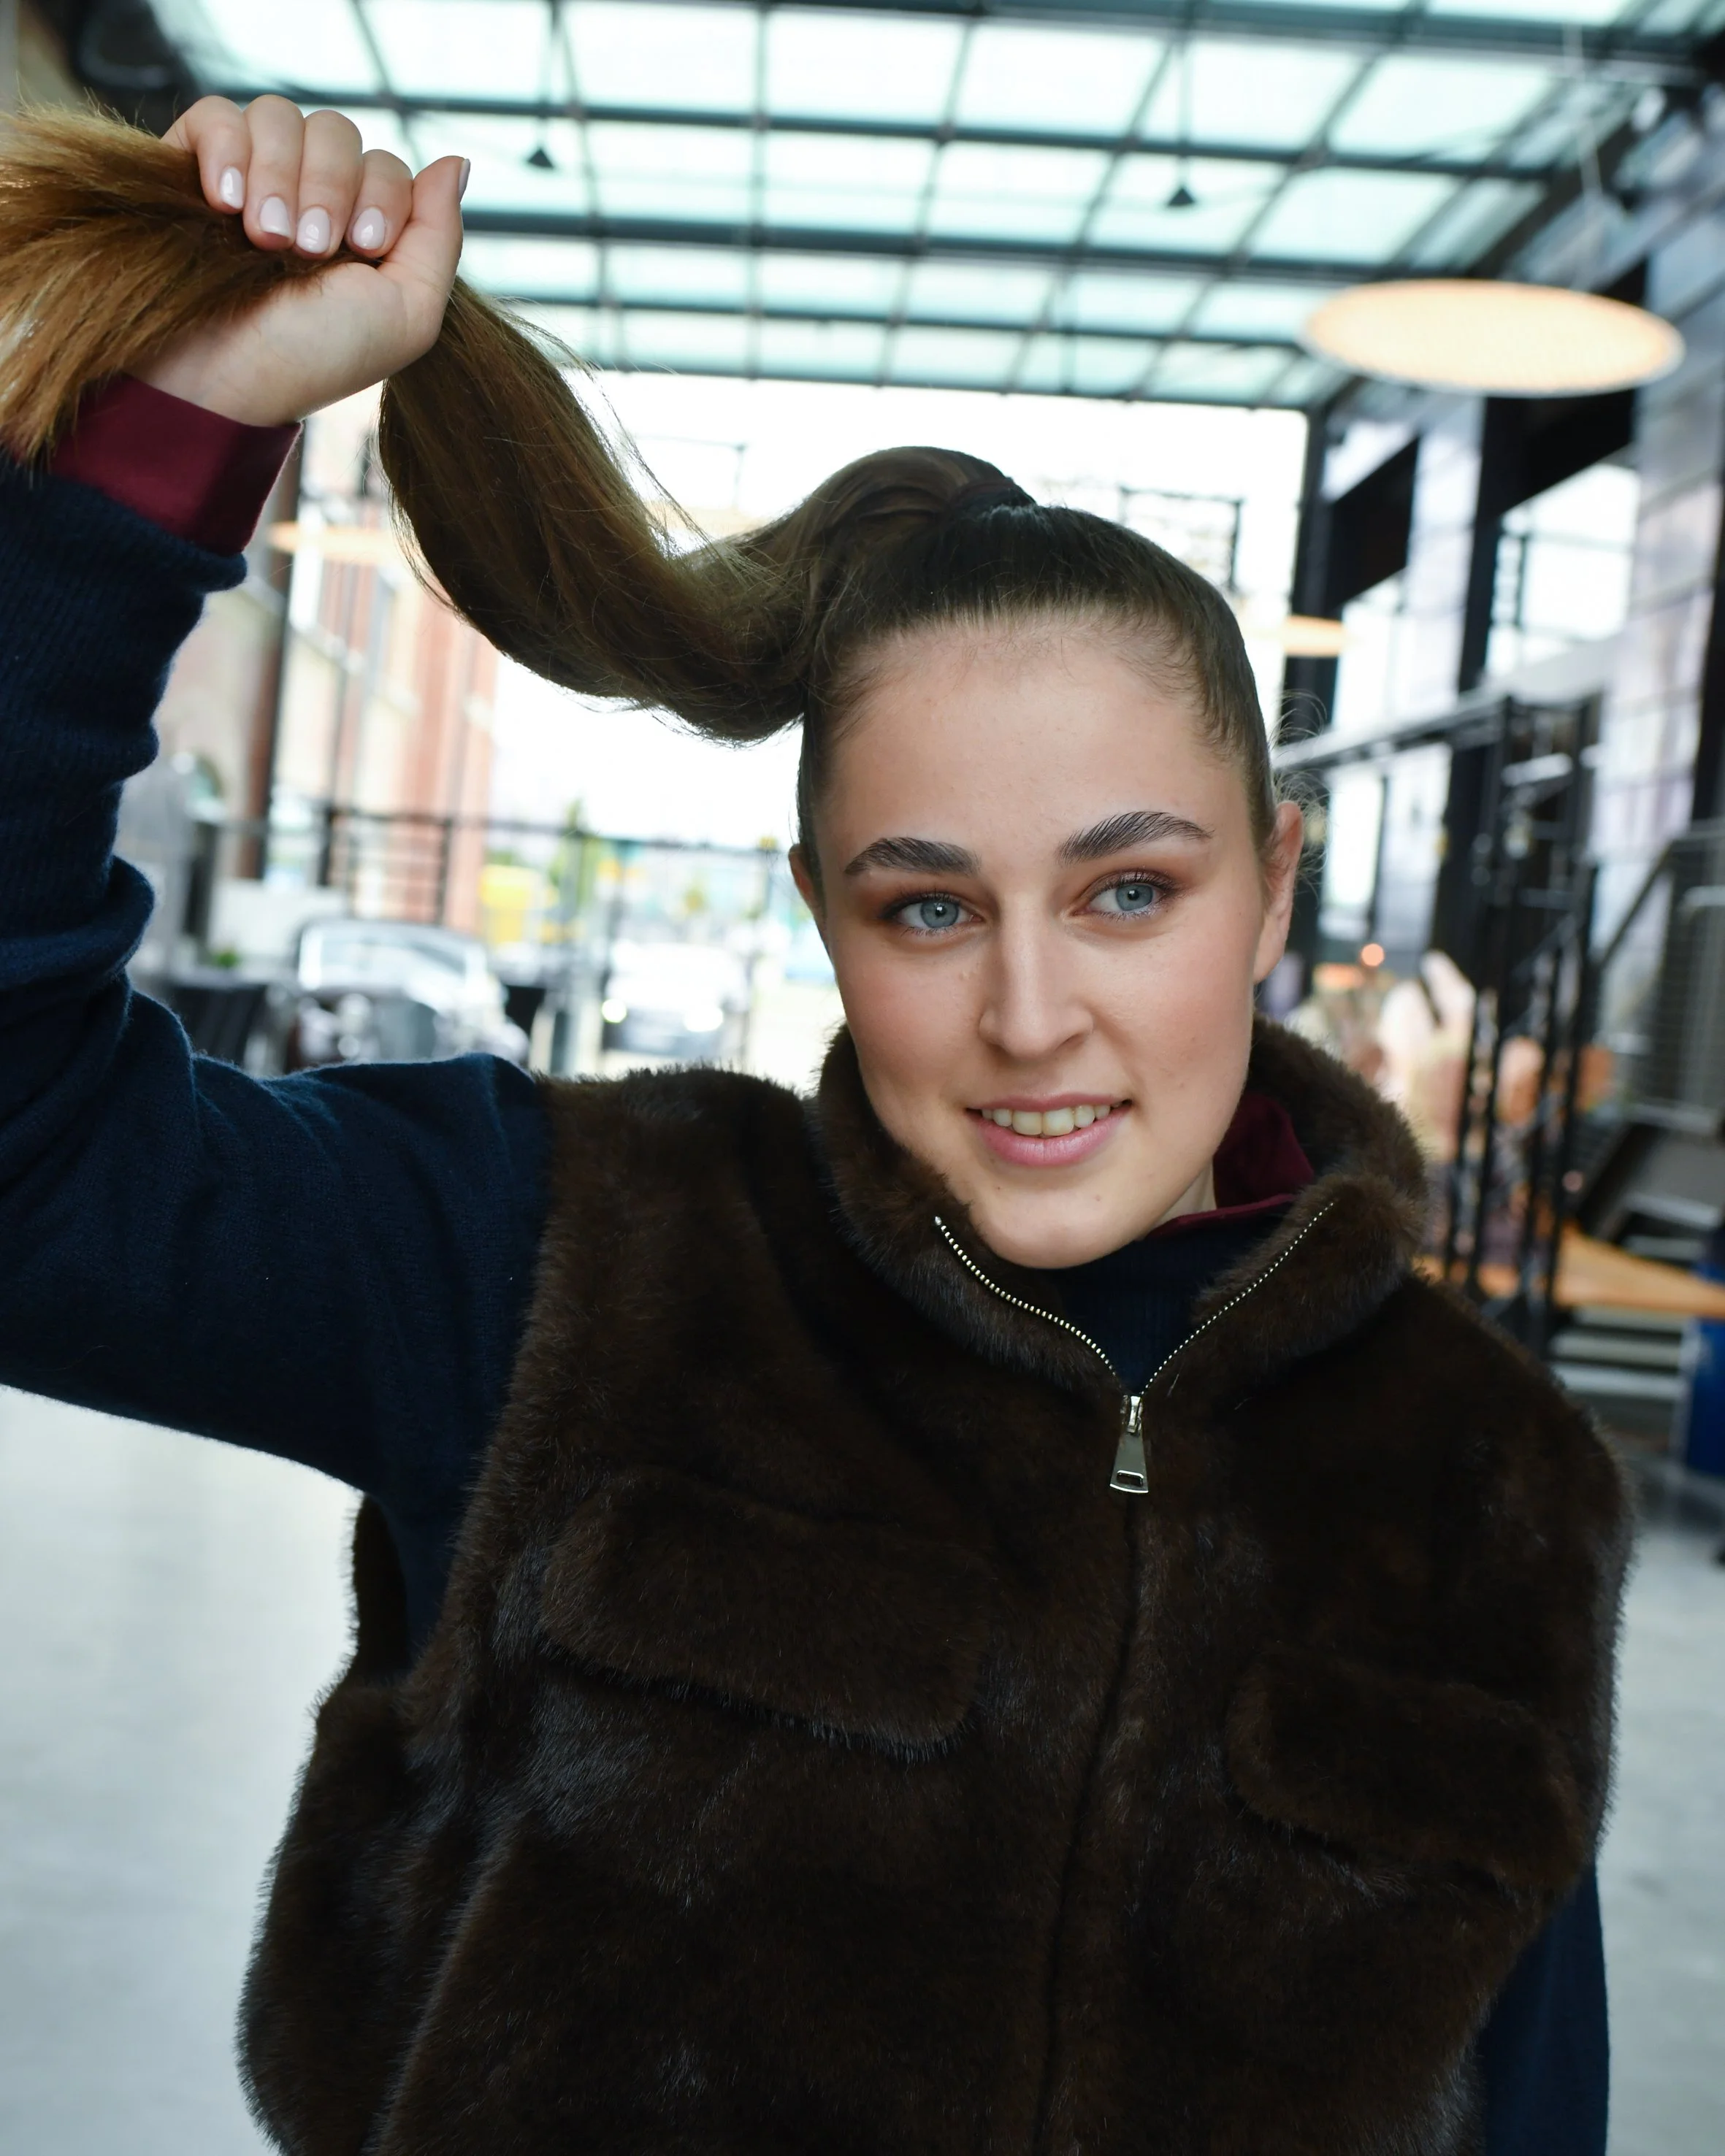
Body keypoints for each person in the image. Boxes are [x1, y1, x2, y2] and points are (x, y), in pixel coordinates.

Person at [0, 99, 1627, 2156]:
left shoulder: (1503, 1489)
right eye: (928, 903)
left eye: (1131, 889)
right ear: (820, 914)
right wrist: (182, 432)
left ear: (1276, 887)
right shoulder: (555, 1265)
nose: (1034, 1018)